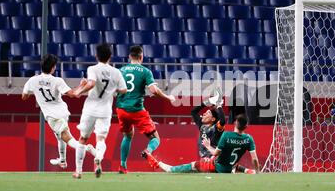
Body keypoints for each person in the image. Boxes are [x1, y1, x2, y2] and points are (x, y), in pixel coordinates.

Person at [21, 54, 96, 169]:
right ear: (53, 68)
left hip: (52, 116)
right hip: (63, 111)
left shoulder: (33, 80)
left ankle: (86, 148)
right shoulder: (57, 81)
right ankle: (62, 160)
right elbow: (73, 94)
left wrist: (35, 94)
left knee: (67, 138)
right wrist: (81, 86)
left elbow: (24, 97)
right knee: (60, 136)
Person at [116, 45, 175, 174]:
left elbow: (113, 89)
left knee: (127, 135)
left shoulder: (120, 71)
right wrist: (168, 97)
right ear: (141, 57)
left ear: (129, 57)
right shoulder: (145, 71)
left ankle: (122, 166)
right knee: (156, 139)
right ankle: (148, 151)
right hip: (137, 110)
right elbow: (153, 90)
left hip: (121, 109)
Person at [72, 43, 127, 179]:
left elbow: (91, 83)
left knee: (83, 139)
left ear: (96, 56)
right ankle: (98, 159)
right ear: (110, 57)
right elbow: (124, 90)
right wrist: (113, 90)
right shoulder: (116, 72)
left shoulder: (93, 68)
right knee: (101, 139)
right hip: (105, 110)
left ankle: (78, 171)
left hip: (90, 108)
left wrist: (80, 90)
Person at [144, 114, 260, 174]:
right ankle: (250, 171)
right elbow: (254, 160)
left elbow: (215, 152)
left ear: (235, 123)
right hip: (229, 168)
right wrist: (258, 172)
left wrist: (208, 145)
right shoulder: (249, 139)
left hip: (215, 166)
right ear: (246, 126)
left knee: (194, 165)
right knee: (232, 163)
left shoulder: (226, 135)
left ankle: (159, 164)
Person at [190, 87, 225, 159]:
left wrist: (219, 106)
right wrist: (208, 102)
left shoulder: (216, 128)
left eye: (208, 113)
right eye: (205, 113)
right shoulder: (201, 125)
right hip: (204, 158)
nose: (204, 114)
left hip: (214, 157)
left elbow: (222, 121)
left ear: (213, 119)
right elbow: (193, 111)